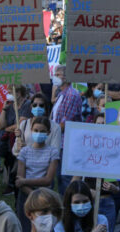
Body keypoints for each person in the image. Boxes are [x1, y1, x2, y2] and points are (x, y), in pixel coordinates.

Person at [16, 117, 60, 232]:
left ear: (48, 133)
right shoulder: (24, 151)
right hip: (26, 195)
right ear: (31, 130)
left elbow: (48, 180)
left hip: (44, 196)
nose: (38, 133)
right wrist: (32, 194)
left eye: (42, 131)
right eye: (36, 130)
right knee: (25, 227)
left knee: (45, 227)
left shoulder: (53, 152)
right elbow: (19, 180)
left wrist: (25, 181)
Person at [50, 65, 82, 195]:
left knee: (65, 178)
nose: (55, 77)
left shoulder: (71, 94)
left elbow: (65, 123)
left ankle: (69, 204)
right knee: (60, 178)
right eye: (55, 74)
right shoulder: (61, 94)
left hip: (66, 143)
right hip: (59, 141)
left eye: (58, 74)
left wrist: (50, 133)